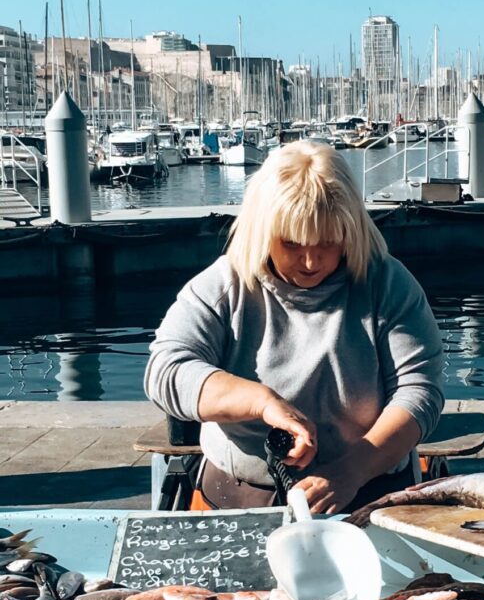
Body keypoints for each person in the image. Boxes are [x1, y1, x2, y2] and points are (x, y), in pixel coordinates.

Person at [144, 141, 444, 515]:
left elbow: (420, 393)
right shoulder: (223, 286)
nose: (310, 260)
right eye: (291, 243)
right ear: (262, 230)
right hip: (239, 496)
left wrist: (352, 471)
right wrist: (262, 403)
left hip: (374, 491)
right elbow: (166, 372)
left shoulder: (388, 284)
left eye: (328, 242)